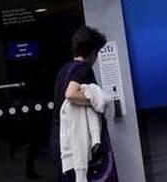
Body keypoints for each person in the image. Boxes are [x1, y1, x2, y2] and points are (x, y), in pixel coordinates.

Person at [50, 26, 118, 182]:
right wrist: (97, 100)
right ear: (93, 52)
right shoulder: (84, 69)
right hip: (75, 142)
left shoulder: (63, 70)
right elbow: (71, 93)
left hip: (59, 141)